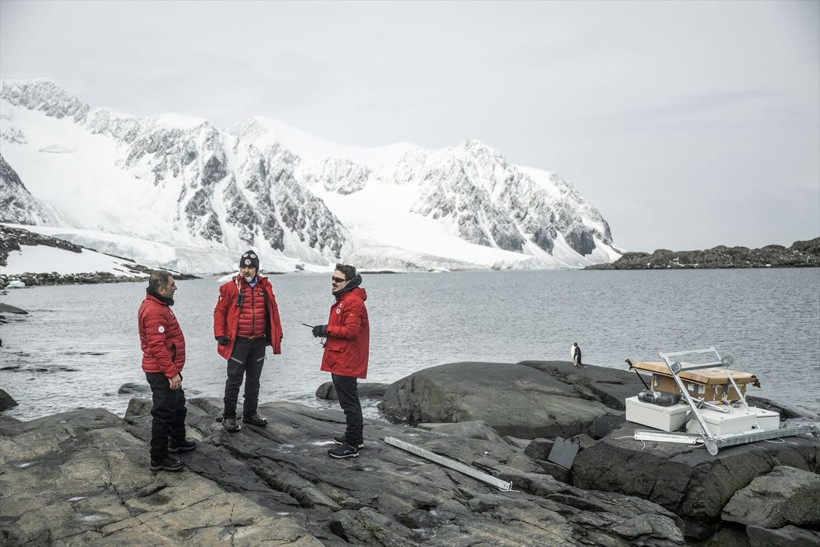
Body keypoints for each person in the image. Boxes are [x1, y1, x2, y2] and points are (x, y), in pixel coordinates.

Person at [213, 250, 283, 432]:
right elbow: (219, 311)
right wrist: (219, 333)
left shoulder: (265, 287)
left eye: (250, 267)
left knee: (254, 380)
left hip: (259, 341)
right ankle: (229, 416)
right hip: (238, 342)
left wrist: (277, 334)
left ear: (256, 269)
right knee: (234, 380)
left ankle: (250, 414)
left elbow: (273, 311)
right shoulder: (230, 288)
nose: (246, 270)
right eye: (243, 266)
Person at [138, 271, 196, 472]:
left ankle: (177, 441)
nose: (176, 287)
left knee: (178, 406)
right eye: (172, 285)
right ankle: (159, 457)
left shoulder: (160, 305)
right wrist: (171, 373)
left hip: (168, 368)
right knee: (163, 413)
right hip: (162, 371)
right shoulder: (155, 310)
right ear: (161, 289)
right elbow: (157, 346)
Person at [312, 263, 370, 459]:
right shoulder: (345, 300)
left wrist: (325, 329)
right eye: (333, 278)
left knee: (349, 402)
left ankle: (352, 445)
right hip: (341, 356)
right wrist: (325, 332)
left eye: (338, 280)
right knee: (348, 400)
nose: (333, 282)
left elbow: (351, 331)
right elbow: (343, 329)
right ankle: (355, 437)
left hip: (347, 359)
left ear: (349, 282)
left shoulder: (353, 302)